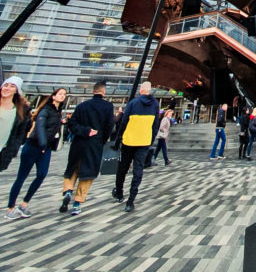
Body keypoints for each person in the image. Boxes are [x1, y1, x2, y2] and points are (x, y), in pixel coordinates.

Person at [4, 87, 67, 220]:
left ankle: (24, 204)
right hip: (33, 146)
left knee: (41, 175)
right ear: (53, 96)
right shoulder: (46, 110)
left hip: (46, 148)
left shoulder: (58, 112)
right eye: (60, 94)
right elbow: (40, 127)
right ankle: (10, 208)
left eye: (64, 95)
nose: (63, 96)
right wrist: (43, 144)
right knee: (21, 177)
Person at [60, 80, 114, 216]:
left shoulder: (82, 106)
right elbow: (109, 126)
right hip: (94, 144)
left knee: (72, 168)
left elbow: (72, 124)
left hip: (78, 142)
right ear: (103, 92)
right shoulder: (108, 107)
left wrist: (85, 131)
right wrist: (102, 139)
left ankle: (67, 191)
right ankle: (77, 202)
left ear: (93, 91)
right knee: (88, 173)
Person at [113, 81, 159, 212]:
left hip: (129, 140)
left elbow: (123, 122)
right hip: (144, 141)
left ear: (140, 91)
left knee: (123, 167)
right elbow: (155, 125)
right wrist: (150, 139)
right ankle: (131, 201)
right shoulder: (155, 104)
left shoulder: (133, 103)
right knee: (138, 170)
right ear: (149, 91)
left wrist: (119, 138)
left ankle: (120, 193)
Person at [0, 77, 30, 173]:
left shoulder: (21, 110)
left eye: (12, 86)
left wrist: (13, 150)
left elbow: (20, 133)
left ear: (16, 91)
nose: (7, 88)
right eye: (5, 85)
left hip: (2, 150)